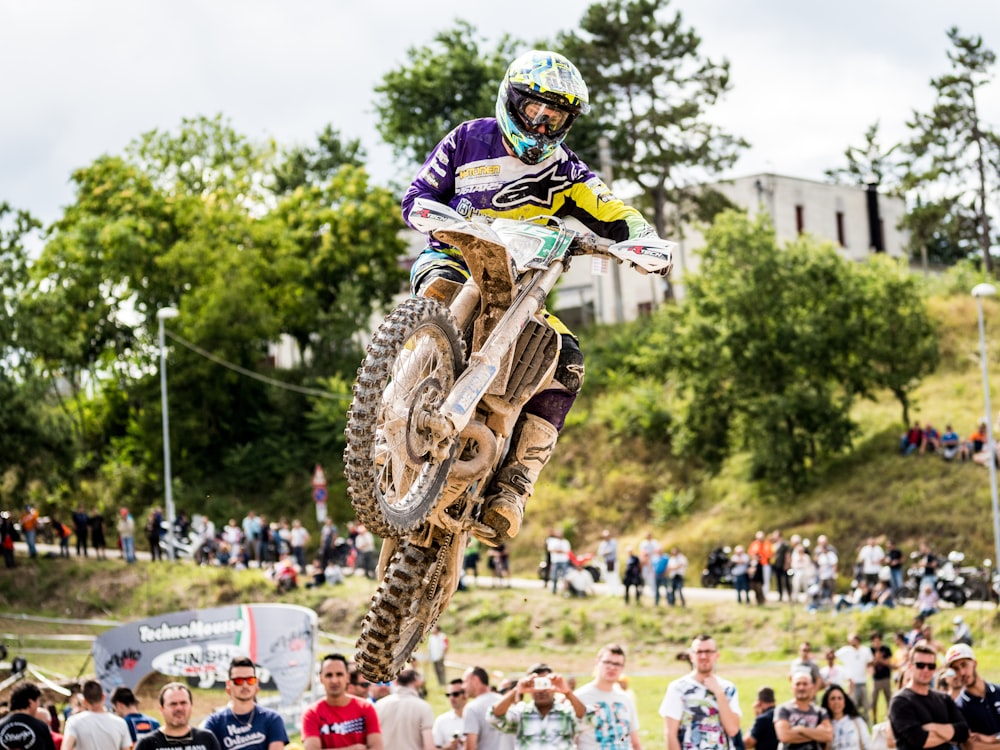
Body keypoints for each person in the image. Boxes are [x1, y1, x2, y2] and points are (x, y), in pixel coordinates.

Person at [402, 49, 661, 547]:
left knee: (568, 361)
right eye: (535, 111)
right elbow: (417, 196)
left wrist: (644, 239)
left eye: (555, 117)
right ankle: (394, 393)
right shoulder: (468, 139)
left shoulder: (567, 172)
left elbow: (611, 209)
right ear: (513, 102)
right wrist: (436, 217)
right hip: (455, 260)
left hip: (521, 291)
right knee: (440, 294)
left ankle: (515, 483)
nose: (542, 125)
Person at [659, 634, 742, 750]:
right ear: (691, 656)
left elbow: (733, 730)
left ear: (716, 655)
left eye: (708, 652)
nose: (703, 656)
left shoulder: (728, 688)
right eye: (699, 652)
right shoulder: (678, 688)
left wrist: (719, 693)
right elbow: (670, 734)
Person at [888, 643, 968, 750]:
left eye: (931, 666)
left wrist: (934, 727)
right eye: (920, 665)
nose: (926, 670)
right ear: (910, 666)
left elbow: (963, 732)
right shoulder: (900, 701)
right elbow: (920, 740)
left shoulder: (943, 698)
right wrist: (950, 735)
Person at [489, 663, 585, 749]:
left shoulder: (566, 713)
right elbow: (494, 717)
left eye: (545, 683)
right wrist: (516, 690)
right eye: (536, 684)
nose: (541, 690)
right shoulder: (521, 713)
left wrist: (567, 692)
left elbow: (588, 718)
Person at [204, 656, 288, 750]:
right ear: (228, 684)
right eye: (238, 681)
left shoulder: (272, 719)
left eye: (250, 680)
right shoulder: (214, 723)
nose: (245, 685)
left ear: (256, 683)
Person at [301, 653, 382, 749]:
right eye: (329, 675)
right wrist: (355, 749)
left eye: (339, 674)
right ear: (321, 679)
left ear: (347, 677)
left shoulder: (366, 708)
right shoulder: (311, 713)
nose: (334, 680)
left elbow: (376, 747)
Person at [573, 644, 641, 750]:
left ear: (622, 668)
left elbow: (635, 742)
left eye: (617, 664)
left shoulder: (626, 699)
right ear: (597, 663)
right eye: (607, 662)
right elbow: (571, 742)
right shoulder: (579, 698)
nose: (612, 667)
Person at [945, 643, 1000, 749]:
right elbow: (971, 747)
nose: (962, 672)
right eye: (956, 669)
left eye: (964, 664)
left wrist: (991, 739)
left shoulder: (999, 691)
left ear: (974, 663)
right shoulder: (958, 707)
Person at [135, 683, 220, 750]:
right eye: (173, 704)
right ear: (161, 709)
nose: (179, 708)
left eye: (183, 703)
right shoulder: (147, 744)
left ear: (191, 706)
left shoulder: (207, 739)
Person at [374, 668, 434, 750]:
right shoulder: (424, 707)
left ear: (395, 682)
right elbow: (429, 746)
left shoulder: (379, 705)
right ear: (417, 682)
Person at [63, 680, 131, 750]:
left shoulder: (74, 722)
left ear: (84, 701)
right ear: (103, 697)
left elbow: (66, 748)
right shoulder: (120, 723)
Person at [774, 670, 832, 750]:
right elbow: (785, 736)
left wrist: (800, 729)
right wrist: (816, 734)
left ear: (812, 687)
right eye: (798, 684)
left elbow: (828, 735)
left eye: (805, 684)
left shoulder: (820, 712)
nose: (801, 687)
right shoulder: (783, 709)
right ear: (792, 687)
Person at [0, 681, 57, 750]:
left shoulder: (1, 726)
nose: (38, 705)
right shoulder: (40, 727)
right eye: (38, 701)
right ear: (31, 702)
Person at [461, 666, 503, 750]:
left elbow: (470, 747)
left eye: (465, 681)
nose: (463, 687)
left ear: (475, 680)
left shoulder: (472, 708)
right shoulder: (504, 701)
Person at [835, 633, 874, 723]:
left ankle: (866, 721)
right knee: (853, 703)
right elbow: (833, 656)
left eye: (853, 639)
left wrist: (870, 671)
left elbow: (870, 663)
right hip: (851, 682)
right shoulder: (845, 651)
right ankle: (853, 721)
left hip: (863, 681)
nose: (852, 642)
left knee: (865, 704)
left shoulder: (865, 650)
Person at [821, 685, 871, 750]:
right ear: (827, 702)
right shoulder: (824, 725)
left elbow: (868, 745)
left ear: (845, 701)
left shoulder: (857, 722)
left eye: (840, 698)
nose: (836, 702)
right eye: (832, 698)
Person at [433, 679, 468, 750]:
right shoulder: (441, 720)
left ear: (466, 695)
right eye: (448, 695)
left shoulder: (477, 718)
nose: (451, 698)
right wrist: (449, 748)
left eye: (455, 694)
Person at [870, 633, 893, 724]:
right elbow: (870, 664)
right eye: (875, 641)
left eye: (878, 640)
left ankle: (889, 717)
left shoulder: (886, 649)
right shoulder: (870, 651)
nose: (877, 643)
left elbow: (888, 663)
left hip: (886, 678)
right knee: (874, 700)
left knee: (888, 699)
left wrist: (879, 659)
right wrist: (876, 659)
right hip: (876, 679)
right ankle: (874, 719)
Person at [546, 530, 571, 595]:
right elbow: (550, 549)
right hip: (555, 561)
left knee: (565, 577)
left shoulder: (566, 542)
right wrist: (559, 551)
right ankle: (554, 590)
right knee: (554, 577)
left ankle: (565, 591)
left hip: (564, 561)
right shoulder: (552, 541)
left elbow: (567, 551)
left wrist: (557, 550)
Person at [597, 529, 619, 594]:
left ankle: (616, 591)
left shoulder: (613, 542)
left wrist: (605, 552)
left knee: (614, 577)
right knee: (608, 577)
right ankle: (610, 591)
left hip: (613, 562)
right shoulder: (602, 544)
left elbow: (611, 551)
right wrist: (605, 552)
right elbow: (600, 553)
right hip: (606, 563)